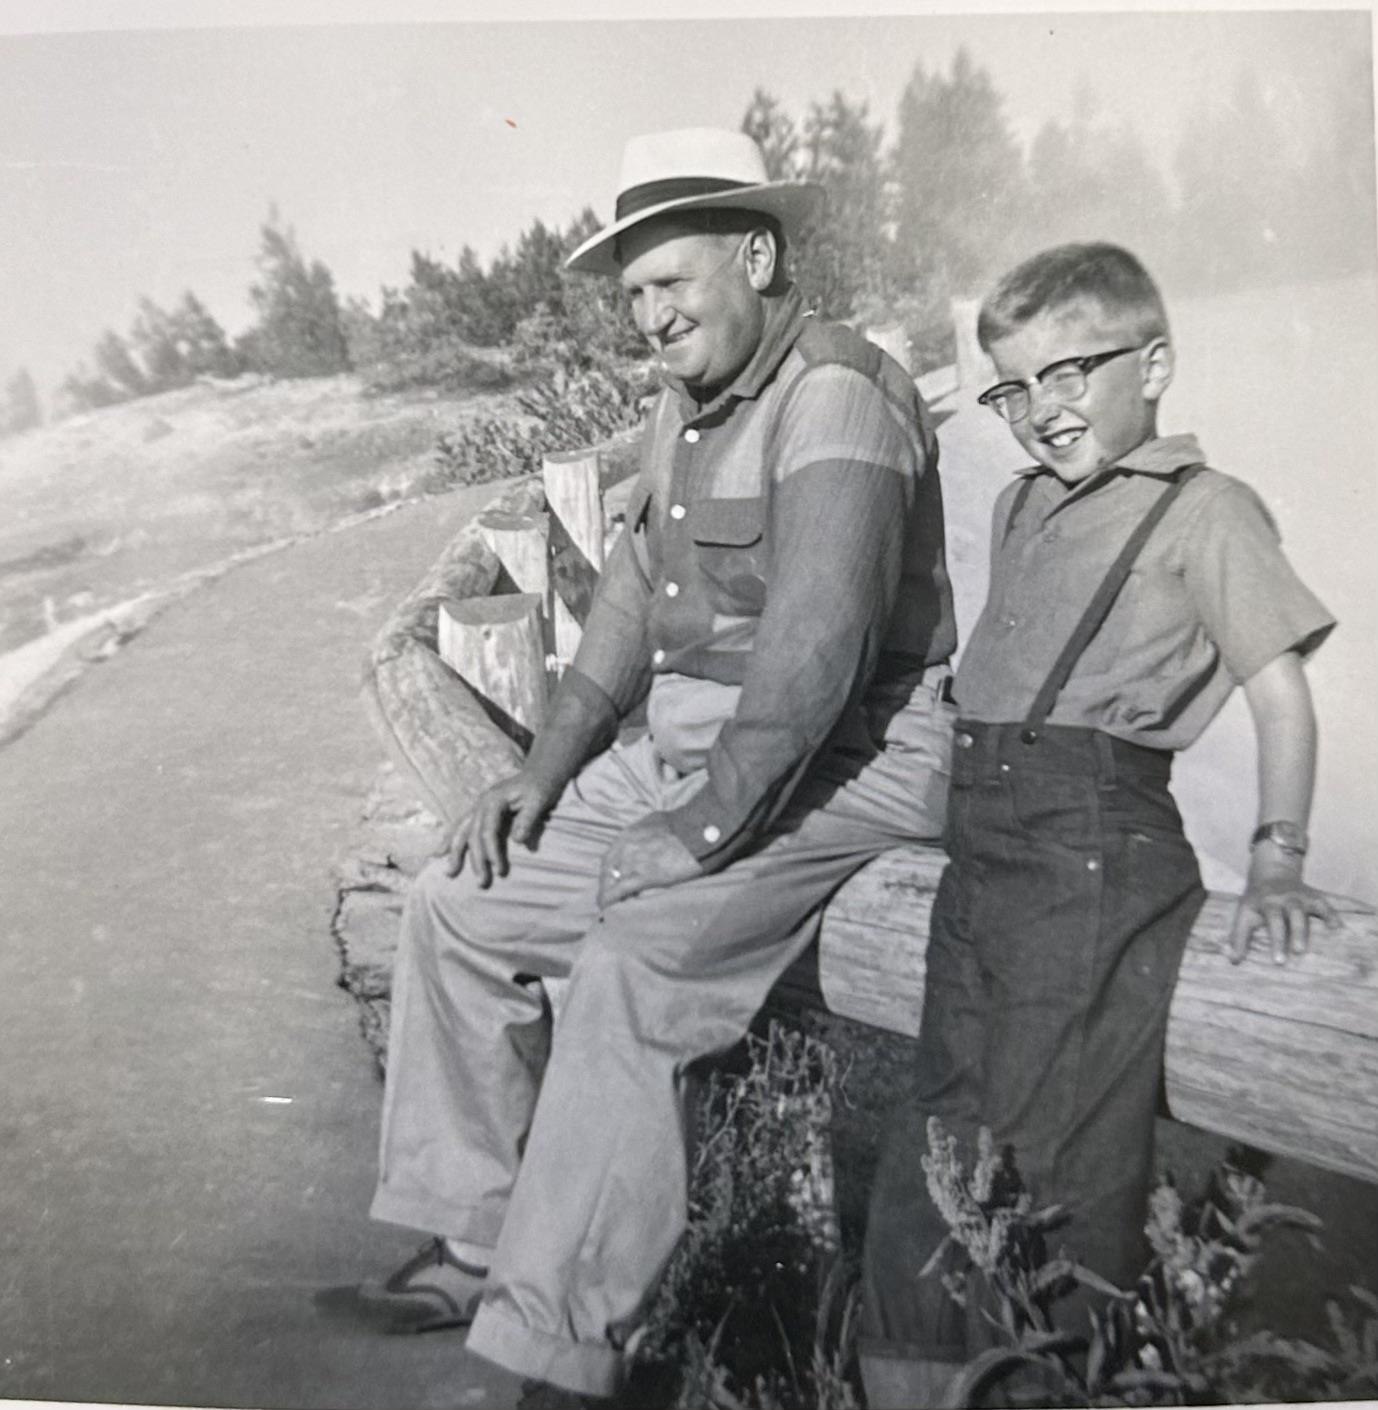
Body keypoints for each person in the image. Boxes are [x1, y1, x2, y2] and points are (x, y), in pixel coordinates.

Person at [361, 126, 958, 1404]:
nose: (649, 317)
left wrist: (692, 836)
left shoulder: (839, 397)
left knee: (635, 966)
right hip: (693, 751)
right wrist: (543, 772)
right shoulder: (681, 407)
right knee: (459, 902)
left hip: (843, 761)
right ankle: (476, 1239)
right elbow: (627, 608)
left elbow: (817, 659)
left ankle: (561, 1347)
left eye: (670, 283)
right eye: (633, 295)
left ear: (757, 258)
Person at [858, 241, 1339, 1409]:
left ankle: (1043, 1385)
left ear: (1153, 365)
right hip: (983, 846)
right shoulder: (1022, 504)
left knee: (1051, 1153)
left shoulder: (1204, 510)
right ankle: (905, 1384)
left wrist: (1277, 858)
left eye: (1069, 373)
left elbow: (1280, 695)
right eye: (1014, 387)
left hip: (1093, 847)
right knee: (937, 1129)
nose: (1041, 409)